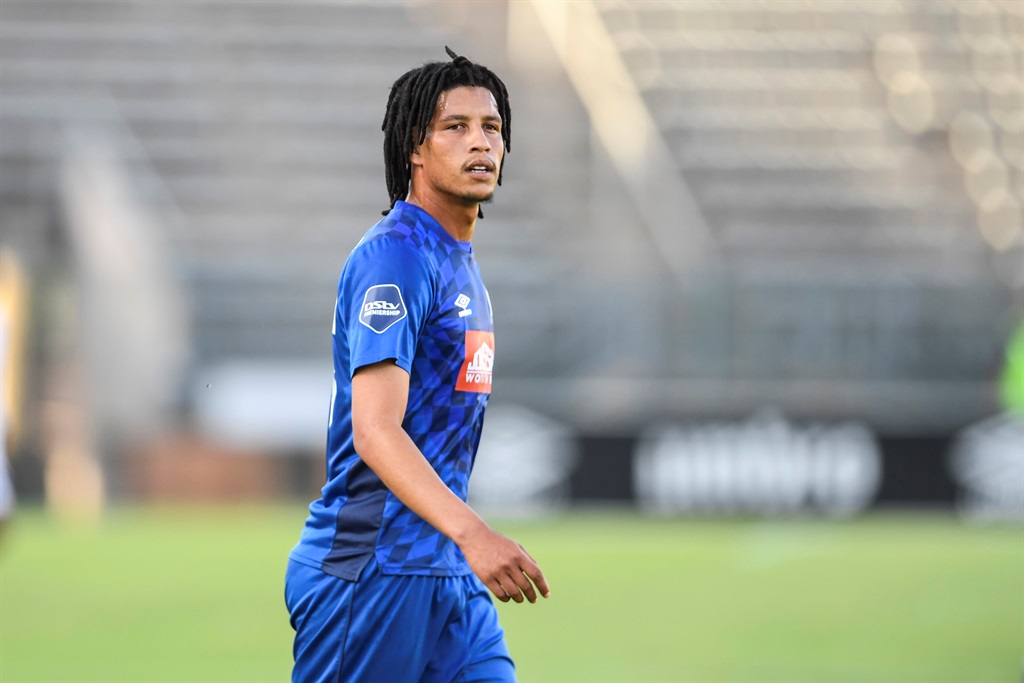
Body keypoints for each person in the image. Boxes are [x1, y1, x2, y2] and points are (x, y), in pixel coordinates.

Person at [285, 47, 549, 683]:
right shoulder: (397, 256)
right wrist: (474, 535)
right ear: (414, 147)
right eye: (454, 127)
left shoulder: (459, 260)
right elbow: (375, 431)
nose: (479, 142)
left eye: (491, 127)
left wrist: (459, 546)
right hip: (373, 572)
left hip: (445, 578)